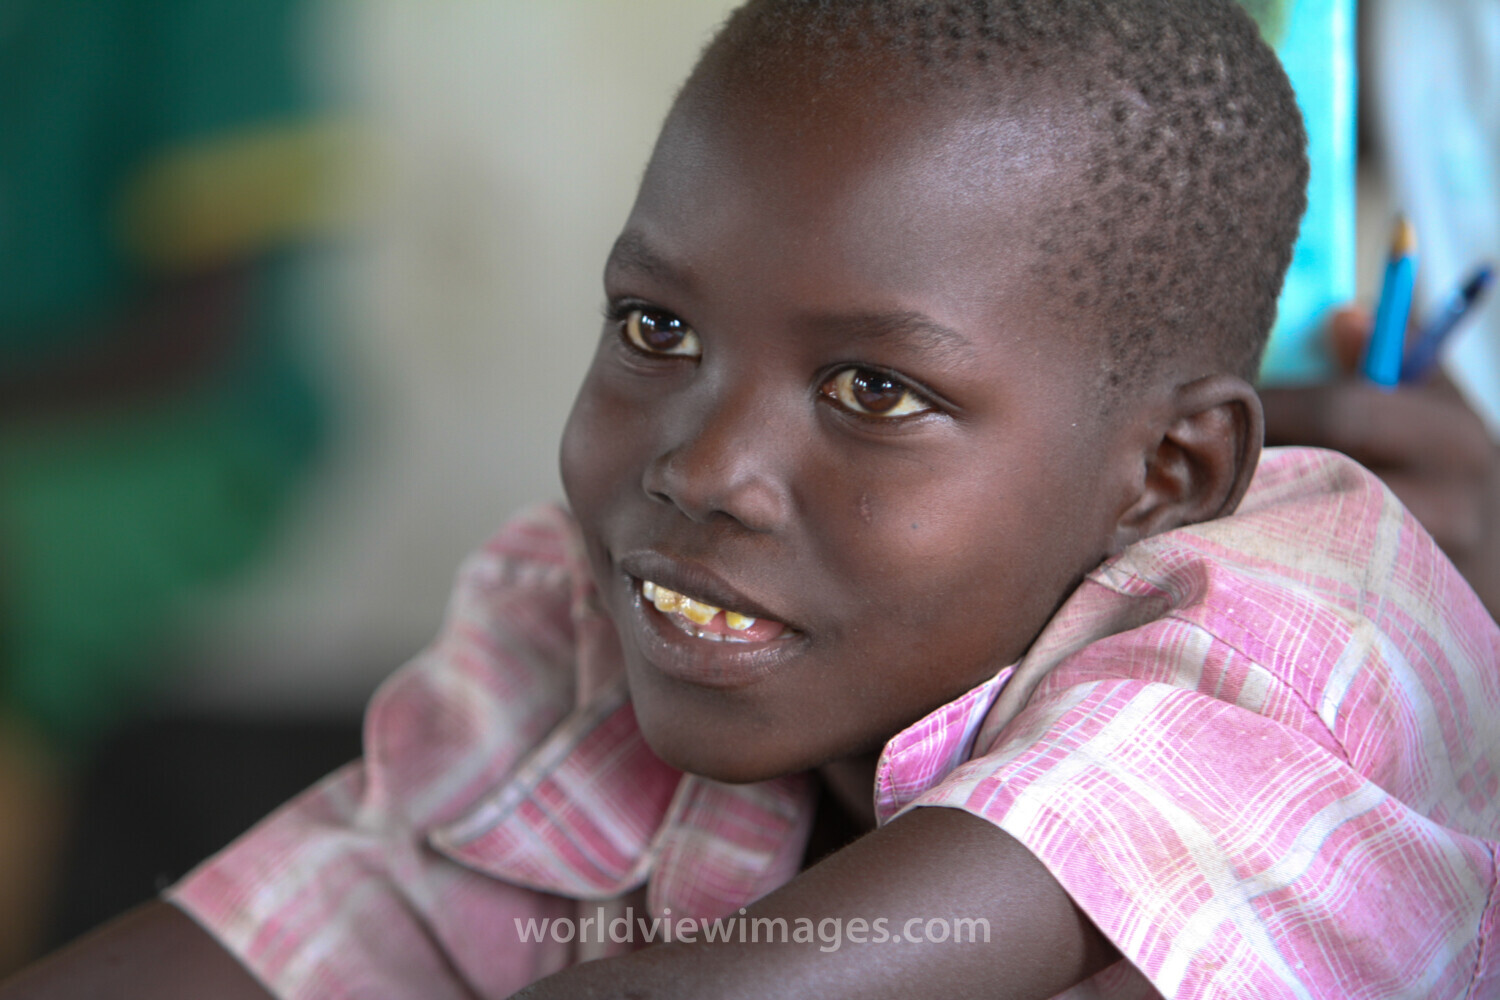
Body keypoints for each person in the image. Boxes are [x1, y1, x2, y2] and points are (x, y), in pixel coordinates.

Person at [5, 1, 1498, 998]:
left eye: (874, 392)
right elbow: (305, 926)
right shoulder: (605, 630)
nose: (700, 467)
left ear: (1168, 474)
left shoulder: (1294, 644)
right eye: (658, 330)